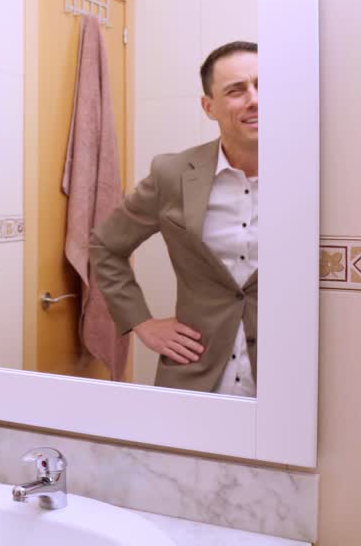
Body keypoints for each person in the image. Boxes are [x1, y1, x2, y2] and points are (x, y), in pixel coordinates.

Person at [89, 41, 258, 395]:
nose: (254, 99)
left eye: (263, 86)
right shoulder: (173, 174)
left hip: (291, 377)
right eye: (236, 90)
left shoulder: (313, 175)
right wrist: (141, 322)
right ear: (208, 106)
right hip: (196, 374)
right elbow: (106, 245)